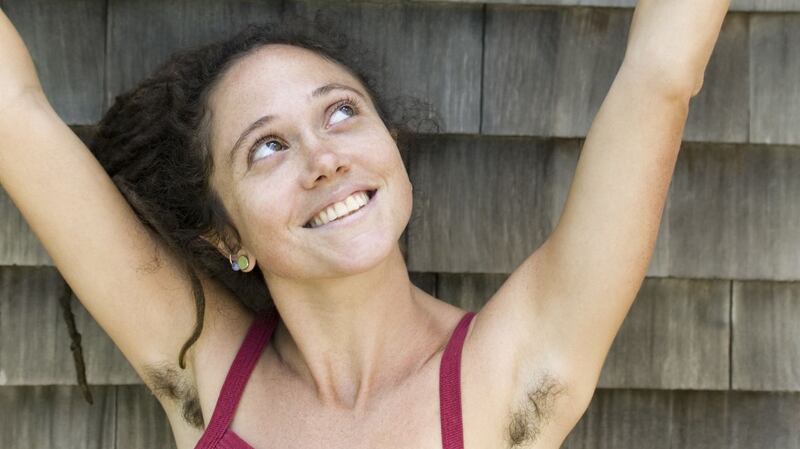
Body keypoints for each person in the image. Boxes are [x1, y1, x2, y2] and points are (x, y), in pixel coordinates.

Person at [0, 1, 730, 448]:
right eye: (268, 147)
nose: (324, 158)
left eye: (341, 111)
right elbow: (14, 118)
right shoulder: (204, 369)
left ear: (393, 152)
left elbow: (662, 74)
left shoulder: (511, 371)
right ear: (228, 236)